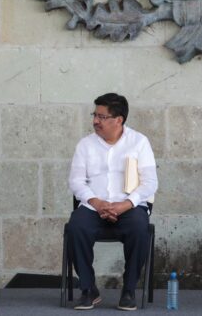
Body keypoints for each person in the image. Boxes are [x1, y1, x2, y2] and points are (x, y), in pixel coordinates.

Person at [66, 93, 158, 311]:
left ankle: (128, 290)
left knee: (139, 227)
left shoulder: (139, 142)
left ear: (119, 119)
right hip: (93, 206)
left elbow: (150, 183)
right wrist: (97, 203)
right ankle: (88, 289)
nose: (95, 121)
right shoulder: (85, 145)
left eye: (102, 116)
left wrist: (125, 204)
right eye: (95, 115)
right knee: (76, 227)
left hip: (129, 206)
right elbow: (76, 181)